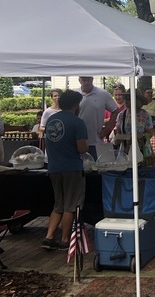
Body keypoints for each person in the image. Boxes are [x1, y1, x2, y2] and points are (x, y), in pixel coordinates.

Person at [41, 90, 88, 251]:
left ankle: (49, 236)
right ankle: (65, 239)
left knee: (58, 204)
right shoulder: (77, 122)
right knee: (71, 204)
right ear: (75, 105)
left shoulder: (52, 120)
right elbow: (82, 148)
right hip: (72, 168)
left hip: (54, 167)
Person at [77, 76, 120, 158]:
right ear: (79, 80)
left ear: (92, 79)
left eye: (88, 79)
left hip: (96, 141)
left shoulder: (103, 94)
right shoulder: (75, 94)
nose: (86, 82)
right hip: (78, 142)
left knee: (96, 168)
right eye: (83, 79)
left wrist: (108, 128)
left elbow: (115, 111)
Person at [114, 89, 154, 155]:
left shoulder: (145, 115)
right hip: (125, 150)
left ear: (137, 101)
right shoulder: (121, 115)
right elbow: (118, 134)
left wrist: (141, 136)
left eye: (129, 99)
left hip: (141, 150)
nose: (126, 101)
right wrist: (125, 138)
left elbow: (150, 133)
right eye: (126, 99)